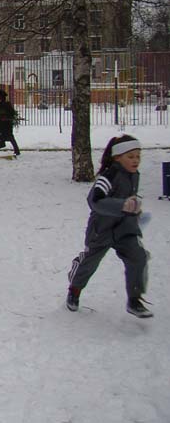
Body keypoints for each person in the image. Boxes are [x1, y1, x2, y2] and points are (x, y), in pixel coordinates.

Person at [66, 134, 152, 318]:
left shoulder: (134, 175)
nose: (135, 160)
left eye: (138, 156)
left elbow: (128, 200)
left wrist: (135, 210)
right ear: (117, 157)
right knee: (89, 263)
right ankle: (74, 290)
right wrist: (122, 205)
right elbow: (94, 200)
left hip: (125, 229)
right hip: (101, 229)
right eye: (130, 156)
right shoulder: (108, 176)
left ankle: (134, 299)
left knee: (138, 257)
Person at [0, 88, 20, 156]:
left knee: (9, 137)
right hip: (0, 126)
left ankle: (16, 151)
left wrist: (3, 117)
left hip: (5, 126)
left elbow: (11, 113)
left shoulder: (6, 105)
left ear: (1, 97)